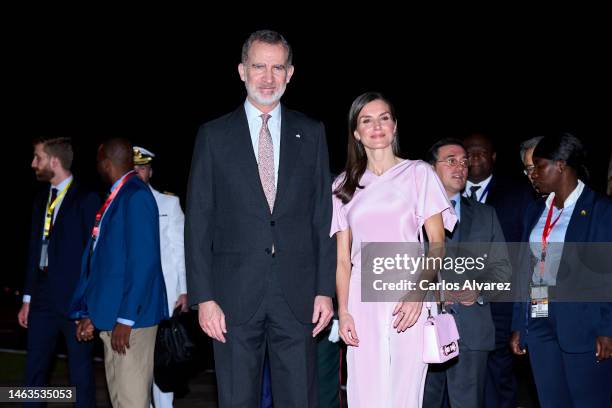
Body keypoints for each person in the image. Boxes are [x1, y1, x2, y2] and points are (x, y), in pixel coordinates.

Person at [185, 30, 335, 407]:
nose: (268, 77)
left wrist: (324, 289)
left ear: (290, 73)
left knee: (299, 398)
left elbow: (323, 217)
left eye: (277, 67)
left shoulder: (312, 133)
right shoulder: (213, 136)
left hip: (298, 295)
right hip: (232, 297)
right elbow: (199, 222)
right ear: (241, 71)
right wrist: (204, 297)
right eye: (258, 66)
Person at [331, 92, 456, 407]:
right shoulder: (343, 185)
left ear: (395, 126)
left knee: (404, 393)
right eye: (366, 120)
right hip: (361, 300)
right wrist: (343, 311)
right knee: (364, 393)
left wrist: (418, 292)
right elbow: (343, 261)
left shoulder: (419, 174)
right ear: (356, 133)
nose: (377, 126)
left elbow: (437, 244)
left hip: (408, 297)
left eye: (384, 118)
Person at [510, 133, 612, 407]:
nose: (532, 174)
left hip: (582, 323)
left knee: (589, 399)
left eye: (539, 166)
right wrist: (520, 323)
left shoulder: (600, 210)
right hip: (539, 316)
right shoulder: (535, 210)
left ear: (561, 165)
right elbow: (525, 269)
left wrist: (607, 328)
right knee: (551, 398)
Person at [70, 138, 168, 408]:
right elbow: (105, 265)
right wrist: (93, 312)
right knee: (120, 401)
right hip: (112, 318)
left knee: (132, 402)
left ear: (106, 163)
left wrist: (126, 318)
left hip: (131, 322)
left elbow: (143, 262)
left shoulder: (135, 196)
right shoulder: (118, 195)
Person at [424, 138, 511, 408]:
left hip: (472, 332)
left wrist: (480, 291)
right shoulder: (410, 213)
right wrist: (431, 293)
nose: (461, 167)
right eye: (451, 161)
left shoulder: (486, 215)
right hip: (423, 330)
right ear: (430, 168)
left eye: (464, 162)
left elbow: (503, 272)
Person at [19, 137, 99, 407]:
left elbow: (94, 255)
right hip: (41, 300)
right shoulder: (41, 199)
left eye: (37, 157)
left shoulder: (87, 198)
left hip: (75, 303)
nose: (33, 164)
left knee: (80, 374)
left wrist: (88, 306)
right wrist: (27, 298)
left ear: (54, 161)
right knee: (34, 371)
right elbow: (34, 249)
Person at [463, 133, 535, 408]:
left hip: (500, 304)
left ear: (493, 157)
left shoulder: (519, 194)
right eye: (469, 152)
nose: (475, 157)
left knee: (498, 376)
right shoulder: (444, 192)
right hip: (456, 304)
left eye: (482, 152)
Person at [133, 146, 188, 407]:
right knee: (133, 365)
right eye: (132, 169)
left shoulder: (169, 203)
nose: (137, 173)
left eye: (142, 168)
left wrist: (185, 290)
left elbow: (180, 250)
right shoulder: (119, 205)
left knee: (162, 361)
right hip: (132, 299)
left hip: (163, 297)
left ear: (150, 172)